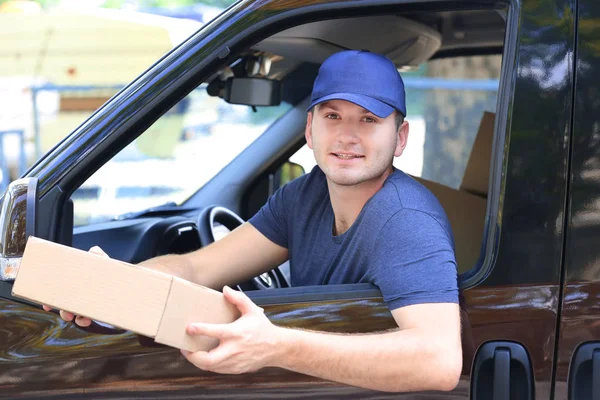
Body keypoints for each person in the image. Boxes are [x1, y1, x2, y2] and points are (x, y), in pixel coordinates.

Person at [45, 50, 462, 393]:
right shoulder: (306, 194)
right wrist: (114, 289)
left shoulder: (405, 221)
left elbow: (439, 360)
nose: (347, 135)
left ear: (400, 137)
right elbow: (197, 267)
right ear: (309, 128)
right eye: (332, 116)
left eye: (369, 120)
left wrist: (276, 347)